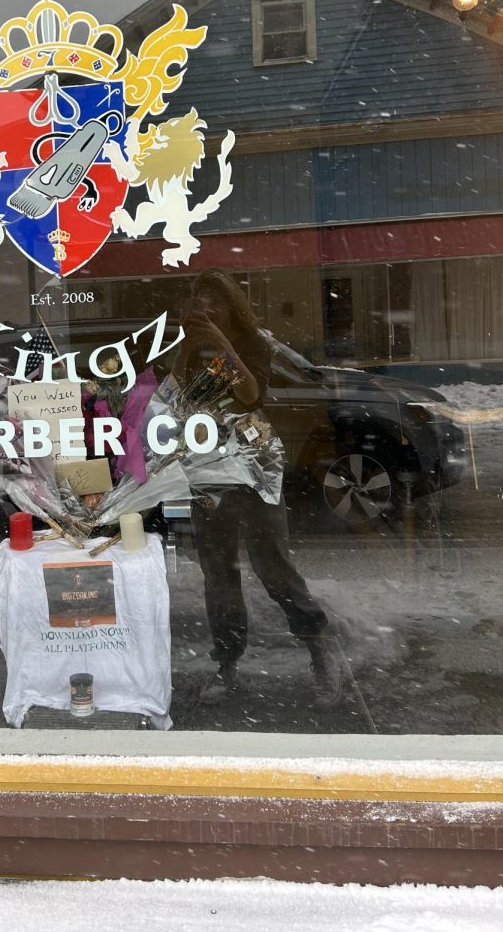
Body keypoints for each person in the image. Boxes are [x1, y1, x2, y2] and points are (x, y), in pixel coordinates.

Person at [173, 268, 342, 708]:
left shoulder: (254, 344)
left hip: (253, 468)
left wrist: (221, 342)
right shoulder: (193, 344)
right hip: (208, 467)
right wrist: (190, 344)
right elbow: (177, 397)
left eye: (215, 302)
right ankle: (227, 663)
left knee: (273, 567)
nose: (207, 309)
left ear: (231, 305)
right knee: (219, 573)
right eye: (199, 303)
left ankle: (319, 650)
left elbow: (249, 395)